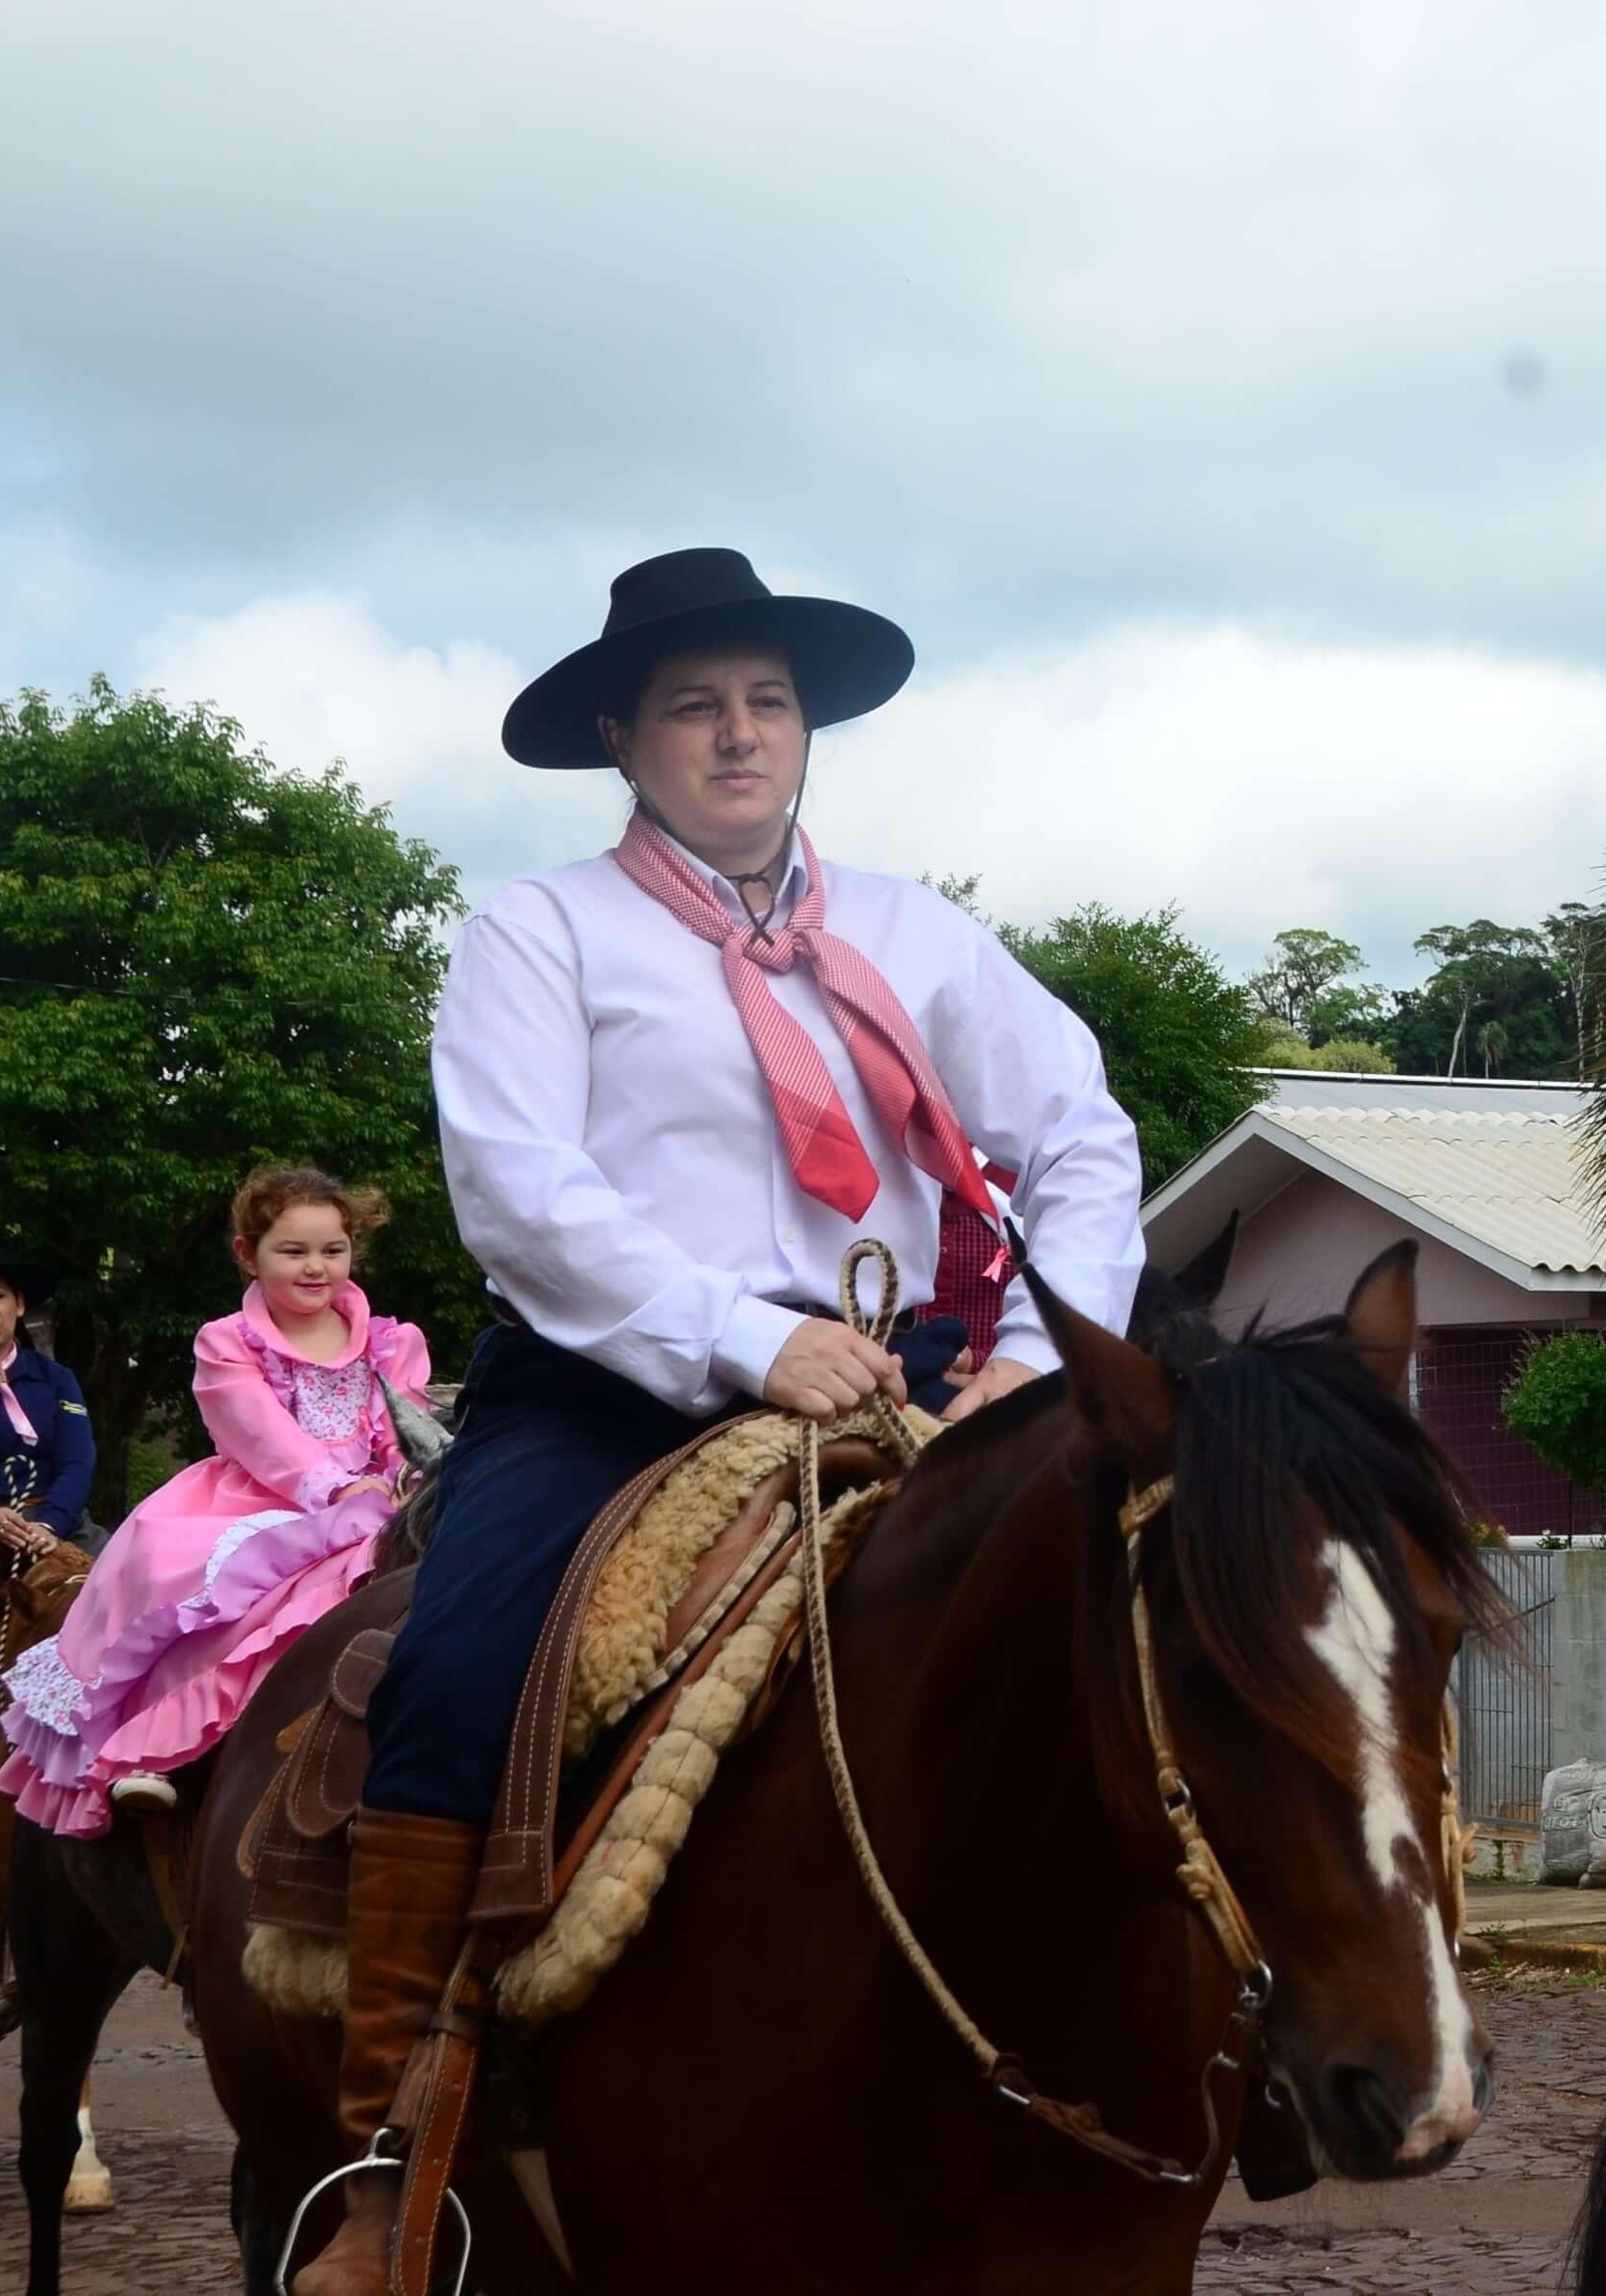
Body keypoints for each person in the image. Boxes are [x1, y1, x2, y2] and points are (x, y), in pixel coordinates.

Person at [296, 549, 1149, 2296]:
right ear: (624, 734)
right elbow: (519, 1190)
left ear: (806, 724)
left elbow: (1081, 1134)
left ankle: (1228, 2040)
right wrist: (738, 1338)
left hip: (915, 1377)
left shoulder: (918, 932)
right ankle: (401, 2137)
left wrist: (1045, 1366)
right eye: (694, 704)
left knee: (1148, 1620)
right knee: (460, 1658)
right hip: (620, 1383)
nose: (738, 731)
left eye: (766, 698)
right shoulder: (541, 928)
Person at [0, 1168, 431, 1837]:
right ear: (246, 1254)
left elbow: (407, 1425)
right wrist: (335, 1489)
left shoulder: (392, 1342)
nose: (316, 1267)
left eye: (332, 1250)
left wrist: (401, 1478)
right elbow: (260, 1434)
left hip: (376, 1501)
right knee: (193, 1585)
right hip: (266, 1496)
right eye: (293, 1251)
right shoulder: (227, 1341)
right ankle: (156, 1750)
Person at [0, 1249, 94, 1562]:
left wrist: (49, 1524)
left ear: (20, 1304)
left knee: (130, 1584)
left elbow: (77, 1461)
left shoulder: (55, 1379)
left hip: (55, 1524)